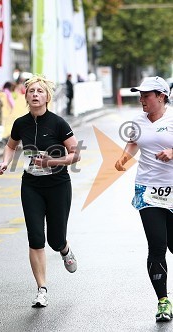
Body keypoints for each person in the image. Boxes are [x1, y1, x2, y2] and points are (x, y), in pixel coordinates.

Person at [0, 75, 80, 308]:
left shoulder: (58, 123)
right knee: (35, 237)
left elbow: (75, 154)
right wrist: (5, 162)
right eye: (31, 91)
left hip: (58, 185)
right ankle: (41, 289)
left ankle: (64, 248)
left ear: (47, 97)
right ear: (26, 96)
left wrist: (51, 162)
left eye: (40, 91)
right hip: (31, 185)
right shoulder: (20, 123)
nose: (35, 94)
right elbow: (11, 146)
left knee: (55, 239)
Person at [114, 76, 173, 322]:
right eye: (140, 95)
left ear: (161, 96)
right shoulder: (137, 121)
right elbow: (133, 143)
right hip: (148, 190)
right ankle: (163, 302)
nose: (141, 100)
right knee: (157, 246)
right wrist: (124, 158)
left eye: (146, 95)